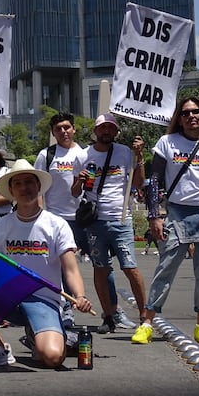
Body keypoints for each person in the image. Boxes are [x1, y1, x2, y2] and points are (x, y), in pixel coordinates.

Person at [0, 159, 92, 367]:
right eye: (18, 183)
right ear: (11, 190)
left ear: (38, 187)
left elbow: (70, 269)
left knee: (52, 358)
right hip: (10, 296)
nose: (24, 187)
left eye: (29, 182)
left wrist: (79, 297)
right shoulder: (1, 226)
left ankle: (42, 335)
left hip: (43, 300)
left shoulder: (57, 225)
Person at [132, 98, 199, 345]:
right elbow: (154, 181)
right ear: (179, 117)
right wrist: (154, 215)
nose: (191, 116)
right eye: (186, 113)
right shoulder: (167, 143)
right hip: (177, 211)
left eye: (196, 111)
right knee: (166, 266)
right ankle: (147, 322)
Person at [35, 111, 136, 330]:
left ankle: (113, 311)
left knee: (103, 267)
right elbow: (39, 188)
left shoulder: (86, 153)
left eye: (67, 127)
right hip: (57, 219)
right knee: (61, 268)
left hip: (86, 218)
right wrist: (42, 216)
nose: (63, 132)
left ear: (74, 129)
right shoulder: (46, 155)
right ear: (53, 132)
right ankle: (67, 309)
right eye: (58, 129)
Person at [71, 113, 148, 335]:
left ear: (116, 132)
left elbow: (139, 182)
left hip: (121, 219)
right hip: (95, 222)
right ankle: (108, 315)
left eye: (110, 128)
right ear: (95, 131)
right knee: (100, 269)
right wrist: (79, 179)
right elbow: (74, 192)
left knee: (130, 267)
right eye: (102, 128)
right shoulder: (83, 155)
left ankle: (145, 316)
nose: (106, 132)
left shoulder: (125, 152)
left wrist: (140, 155)